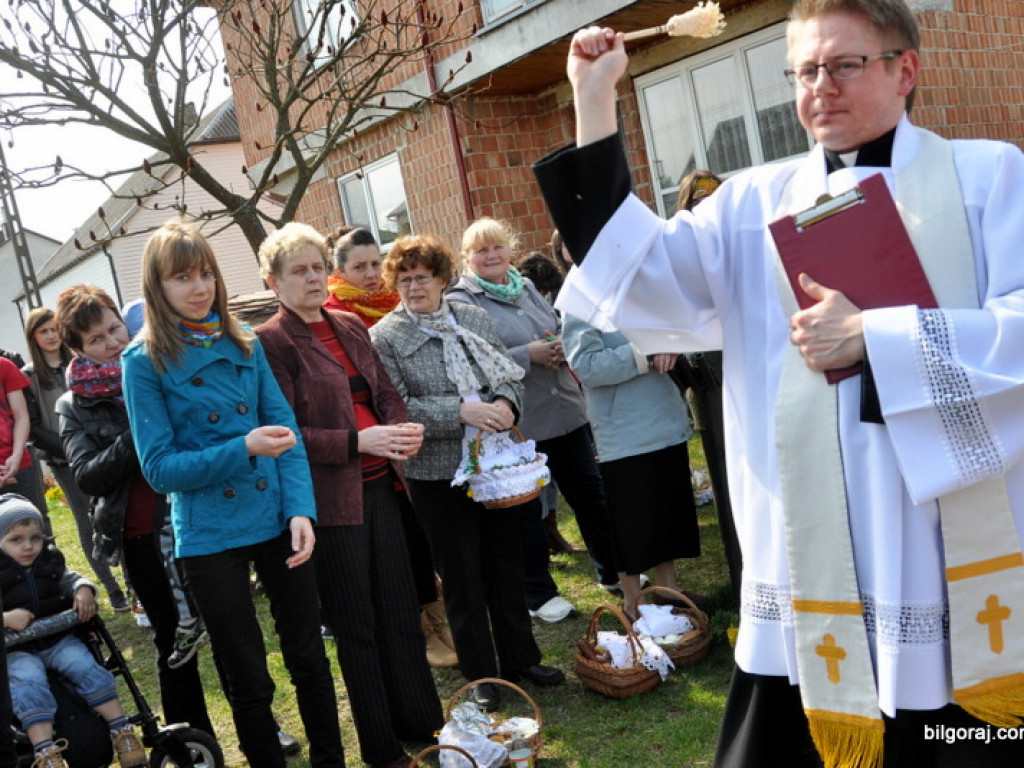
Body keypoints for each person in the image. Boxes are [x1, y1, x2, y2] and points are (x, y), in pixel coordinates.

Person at [533, 2, 1024, 766]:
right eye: (804, 70)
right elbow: (634, 279)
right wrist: (594, 100)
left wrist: (879, 337)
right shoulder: (748, 203)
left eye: (844, 65)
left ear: (906, 69)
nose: (820, 88)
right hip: (805, 548)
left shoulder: (989, 177)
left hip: (936, 538)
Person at [121, 221, 344, 768]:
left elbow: (285, 431)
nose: (199, 289)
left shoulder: (243, 341)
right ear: (157, 286)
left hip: (276, 518)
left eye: (205, 275)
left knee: (311, 659)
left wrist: (300, 510)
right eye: (181, 278)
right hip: (209, 533)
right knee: (246, 671)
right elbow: (160, 469)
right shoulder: (143, 360)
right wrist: (242, 446)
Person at [255, 223, 443, 768]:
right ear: (274, 281)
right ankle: (382, 748)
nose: (312, 278)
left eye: (318, 267)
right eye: (299, 270)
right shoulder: (272, 341)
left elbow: (386, 391)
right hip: (331, 503)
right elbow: (284, 431)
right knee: (358, 627)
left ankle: (422, 721)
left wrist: (402, 429)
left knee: (401, 610)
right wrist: (357, 440)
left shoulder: (348, 323)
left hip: (384, 488)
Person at [370, 234, 564, 712]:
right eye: (404, 278)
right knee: (461, 576)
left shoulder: (472, 317)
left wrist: (503, 405)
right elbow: (396, 406)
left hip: (495, 465)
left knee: (506, 563)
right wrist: (462, 411)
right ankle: (481, 673)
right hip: (436, 473)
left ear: (442, 279)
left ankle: (522, 657)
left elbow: (506, 376)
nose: (414, 287)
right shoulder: (385, 336)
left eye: (423, 277)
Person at [53, 284, 215, 742]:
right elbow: (86, 475)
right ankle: (191, 737)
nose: (112, 344)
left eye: (113, 329)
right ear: (77, 350)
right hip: (141, 532)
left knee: (225, 625)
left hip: (197, 517)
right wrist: (137, 434)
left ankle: (262, 726)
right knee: (173, 639)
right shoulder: (74, 404)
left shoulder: (162, 365)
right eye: (96, 340)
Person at [449, 217, 620, 620]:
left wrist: (559, 344)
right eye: (481, 250)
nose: (491, 256)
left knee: (590, 495)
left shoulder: (523, 285)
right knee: (526, 511)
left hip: (565, 409)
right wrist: (529, 355)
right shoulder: (461, 300)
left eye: (497, 247)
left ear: (510, 248)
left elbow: (555, 325)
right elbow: (471, 362)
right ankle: (538, 595)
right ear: (467, 257)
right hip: (520, 422)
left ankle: (613, 571)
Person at [563, 312, 701, 617]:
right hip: (623, 429)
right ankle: (634, 604)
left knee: (666, 512)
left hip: (664, 415)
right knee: (632, 524)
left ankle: (668, 592)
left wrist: (674, 344)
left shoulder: (645, 284)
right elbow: (587, 366)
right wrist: (647, 353)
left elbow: (686, 329)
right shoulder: (583, 300)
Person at [0, 495, 147, 768]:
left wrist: (83, 589)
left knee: (87, 667)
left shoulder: (50, 560)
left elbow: (71, 578)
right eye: (16, 540)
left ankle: (121, 729)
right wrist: (7, 618)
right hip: (17, 649)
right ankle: (45, 751)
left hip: (57, 639)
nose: (28, 546)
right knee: (28, 684)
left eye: (35, 538)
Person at [22, 308, 131, 613]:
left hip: (103, 452)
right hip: (64, 460)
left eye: (54, 329)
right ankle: (111, 587)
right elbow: (33, 426)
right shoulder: (30, 376)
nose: (51, 335)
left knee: (116, 514)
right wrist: (70, 446)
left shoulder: (84, 365)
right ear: (34, 337)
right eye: (43, 331)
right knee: (88, 522)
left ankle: (131, 581)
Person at [670, 171, 742, 605]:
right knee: (726, 481)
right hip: (710, 386)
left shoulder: (737, 249)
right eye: (698, 203)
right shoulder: (679, 258)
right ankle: (739, 581)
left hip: (747, 378)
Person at [0, 352, 48, 520]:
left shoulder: (4, 366)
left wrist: (17, 456)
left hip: (17, 463)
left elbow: (21, 416)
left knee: (35, 523)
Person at [323, 227, 401, 327]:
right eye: (359, 267)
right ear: (340, 273)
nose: (371, 274)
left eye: (375, 264)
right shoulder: (332, 314)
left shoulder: (398, 298)